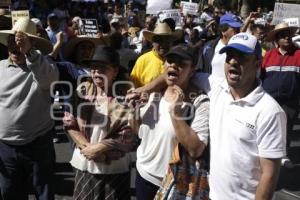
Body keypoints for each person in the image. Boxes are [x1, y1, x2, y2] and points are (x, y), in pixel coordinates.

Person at [132, 33, 286, 200]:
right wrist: (145, 89)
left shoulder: (270, 111)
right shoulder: (217, 88)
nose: (233, 62)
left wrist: (175, 113)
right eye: (229, 57)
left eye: (241, 57)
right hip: (210, 194)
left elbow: (269, 175)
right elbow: (172, 72)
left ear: (257, 64)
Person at [127, 44, 209, 200]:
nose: (174, 65)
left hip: (175, 185)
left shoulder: (199, 102)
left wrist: (176, 113)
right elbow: (139, 132)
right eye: (170, 61)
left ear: (192, 71)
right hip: (144, 175)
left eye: (181, 64)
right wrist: (135, 111)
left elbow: (195, 149)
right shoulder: (153, 93)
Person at [63, 46, 136, 200]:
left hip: (114, 167)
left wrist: (100, 149)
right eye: (94, 68)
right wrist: (88, 149)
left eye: (102, 68)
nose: (96, 72)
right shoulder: (82, 92)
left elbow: (129, 134)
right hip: (86, 162)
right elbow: (69, 122)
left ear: (115, 71)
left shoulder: (125, 96)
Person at [0, 18, 58, 200]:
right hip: (5, 147)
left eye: (21, 42)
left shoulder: (44, 65)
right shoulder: (0, 68)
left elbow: (49, 80)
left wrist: (30, 53)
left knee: (44, 193)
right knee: (10, 194)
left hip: (38, 145)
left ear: (32, 43)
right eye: (12, 41)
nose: (16, 46)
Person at [261, 22, 299, 167]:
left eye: (289, 35)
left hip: (291, 100)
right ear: (277, 40)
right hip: (269, 100)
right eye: (283, 36)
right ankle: (265, 153)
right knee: (268, 127)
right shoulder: (268, 55)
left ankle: (283, 155)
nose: (287, 38)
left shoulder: (299, 54)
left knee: (286, 128)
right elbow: (261, 76)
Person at [130, 22, 182, 88]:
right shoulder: (142, 60)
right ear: (152, 42)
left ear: (171, 42)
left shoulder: (179, 61)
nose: (163, 44)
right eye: (159, 40)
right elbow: (133, 86)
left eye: (167, 40)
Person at [197, 13, 242, 78]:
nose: (238, 33)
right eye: (235, 30)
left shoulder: (242, 49)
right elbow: (199, 71)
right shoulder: (208, 47)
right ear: (223, 31)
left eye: (238, 29)